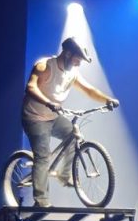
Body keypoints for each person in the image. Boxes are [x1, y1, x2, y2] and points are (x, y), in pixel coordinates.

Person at [22, 37, 119, 207]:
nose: (78, 64)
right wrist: (49, 102)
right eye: (77, 59)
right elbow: (30, 87)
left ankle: (64, 175)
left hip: (53, 117)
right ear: (67, 54)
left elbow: (89, 90)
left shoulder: (72, 73)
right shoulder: (45, 66)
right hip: (34, 118)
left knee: (74, 137)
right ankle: (41, 200)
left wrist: (107, 99)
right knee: (43, 156)